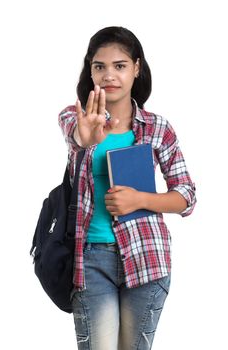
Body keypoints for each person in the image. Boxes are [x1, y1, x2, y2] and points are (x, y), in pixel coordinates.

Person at [58, 26, 196, 350]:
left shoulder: (157, 128)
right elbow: (75, 136)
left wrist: (140, 200)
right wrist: (86, 138)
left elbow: (187, 196)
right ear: (89, 70)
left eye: (119, 66)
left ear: (136, 67)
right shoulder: (75, 117)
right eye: (99, 66)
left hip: (147, 258)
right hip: (90, 261)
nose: (109, 75)